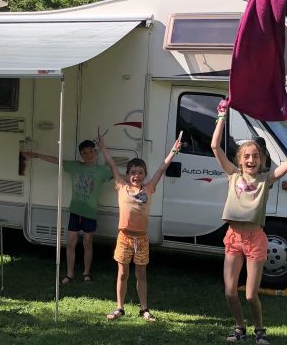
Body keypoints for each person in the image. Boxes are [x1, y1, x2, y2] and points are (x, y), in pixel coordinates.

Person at [210, 106, 287, 344]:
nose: (251, 160)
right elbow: (215, 146)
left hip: (255, 240)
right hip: (233, 238)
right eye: (247, 156)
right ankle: (239, 327)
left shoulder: (265, 180)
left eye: (256, 156)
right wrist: (221, 116)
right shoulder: (233, 175)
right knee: (230, 292)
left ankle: (259, 329)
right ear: (240, 160)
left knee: (250, 295)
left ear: (261, 161)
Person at [98, 132, 182, 322]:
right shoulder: (121, 186)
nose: (136, 176)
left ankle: (144, 309)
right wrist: (103, 147)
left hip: (142, 239)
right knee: (122, 274)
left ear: (145, 175)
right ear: (128, 174)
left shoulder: (149, 188)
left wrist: (174, 151)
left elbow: (162, 168)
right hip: (124, 237)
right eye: (133, 172)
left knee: (141, 274)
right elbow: (112, 165)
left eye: (140, 172)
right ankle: (120, 307)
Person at [22, 139, 113, 283]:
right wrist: (37, 155)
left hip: (90, 213)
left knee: (87, 243)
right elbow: (56, 160)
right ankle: (69, 274)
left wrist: (136, 181)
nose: (89, 155)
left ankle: (86, 273)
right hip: (75, 211)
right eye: (85, 153)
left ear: (95, 152)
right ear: (81, 155)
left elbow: (118, 176)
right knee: (70, 243)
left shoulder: (102, 171)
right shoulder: (74, 166)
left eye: (91, 152)